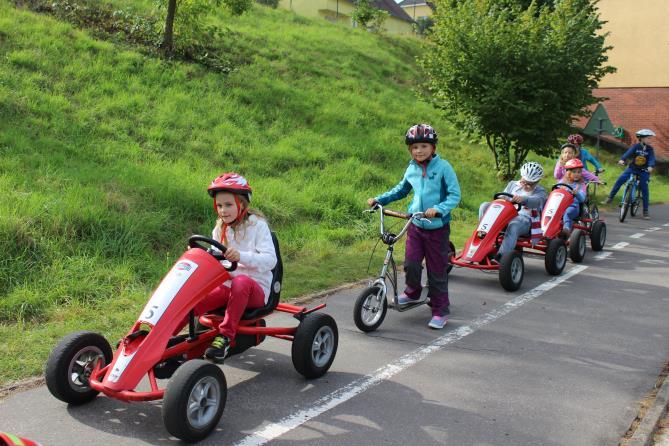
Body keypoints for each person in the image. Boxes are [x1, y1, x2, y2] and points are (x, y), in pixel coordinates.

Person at [367, 124, 461, 330]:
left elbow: (454, 195)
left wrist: (439, 209)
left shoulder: (444, 168)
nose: (419, 150)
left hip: (437, 228)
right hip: (415, 225)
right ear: (410, 150)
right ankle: (412, 292)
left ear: (433, 148)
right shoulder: (412, 168)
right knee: (411, 263)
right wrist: (379, 200)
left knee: (437, 271)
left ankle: (440, 310)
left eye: (424, 146)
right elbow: (401, 190)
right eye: (415, 147)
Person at [197, 172, 277, 363]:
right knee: (197, 299)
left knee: (241, 282)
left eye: (228, 205)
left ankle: (225, 338)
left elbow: (270, 261)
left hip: (256, 291)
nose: (223, 210)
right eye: (219, 205)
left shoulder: (257, 225)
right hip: (229, 287)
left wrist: (241, 256)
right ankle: (161, 338)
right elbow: (216, 260)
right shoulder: (219, 229)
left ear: (241, 203)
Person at [478, 161, 547, 260]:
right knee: (484, 206)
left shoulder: (540, 191)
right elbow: (502, 197)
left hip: (525, 219)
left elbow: (537, 201)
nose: (525, 185)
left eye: (530, 184)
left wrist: (524, 199)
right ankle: (482, 238)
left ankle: (501, 257)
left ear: (537, 182)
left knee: (513, 225)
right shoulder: (513, 185)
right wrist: (504, 198)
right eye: (524, 182)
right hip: (506, 215)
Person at [603, 129, 656, 219]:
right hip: (633, 168)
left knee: (644, 188)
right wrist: (622, 159)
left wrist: (650, 166)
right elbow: (628, 153)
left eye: (651, 138)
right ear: (642, 139)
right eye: (648, 138)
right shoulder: (636, 147)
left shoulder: (650, 149)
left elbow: (652, 158)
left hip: (644, 170)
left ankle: (645, 211)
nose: (650, 140)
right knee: (620, 180)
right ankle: (610, 197)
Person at [558, 159, 588, 237]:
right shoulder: (563, 181)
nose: (576, 174)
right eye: (574, 172)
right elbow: (556, 190)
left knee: (567, 213)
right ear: (568, 172)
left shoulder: (581, 185)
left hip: (573, 206)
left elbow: (582, 199)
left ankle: (566, 230)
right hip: (560, 205)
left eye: (579, 172)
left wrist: (577, 193)